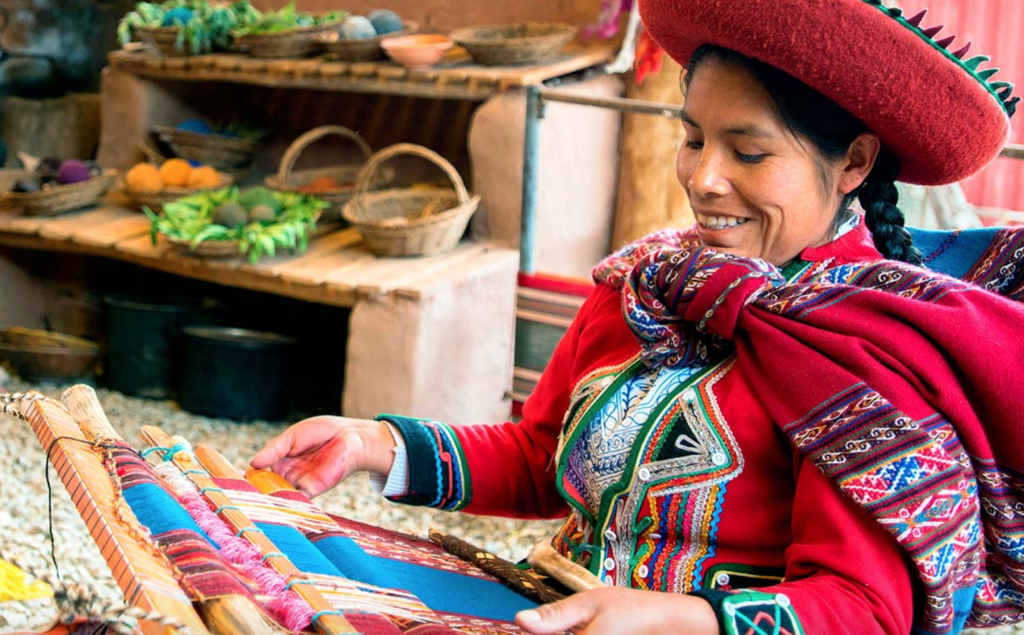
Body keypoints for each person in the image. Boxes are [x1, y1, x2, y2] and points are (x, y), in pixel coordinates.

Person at [252, 1, 1024, 634]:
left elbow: (863, 608)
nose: (705, 179)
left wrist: (681, 619)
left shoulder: (866, 347)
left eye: (748, 153)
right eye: (691, 139)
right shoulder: (650, 281)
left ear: (853, 163)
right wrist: (376, 444)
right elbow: (543, 455)